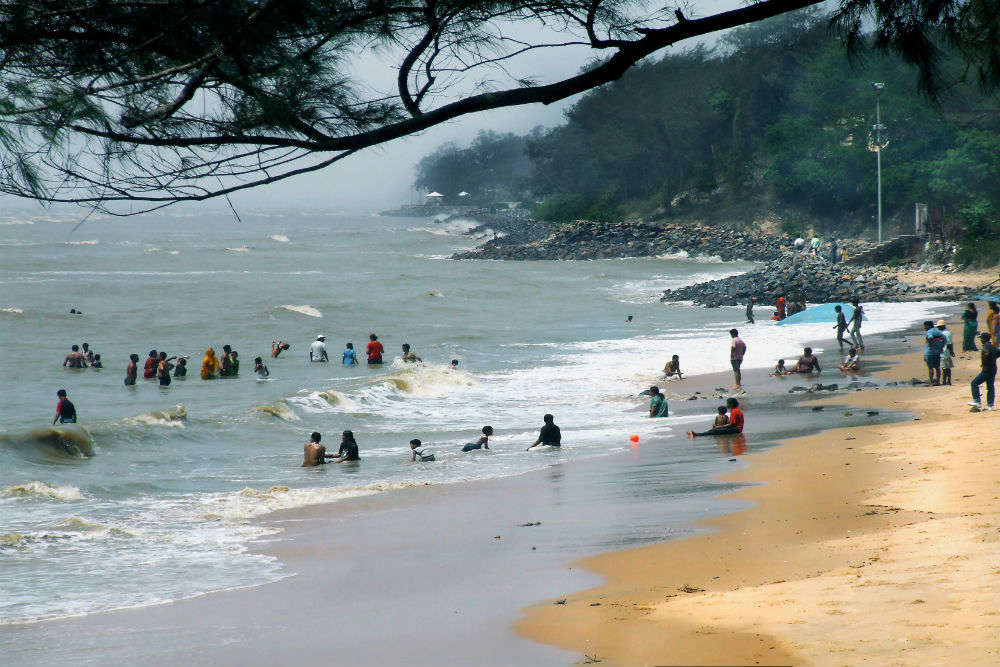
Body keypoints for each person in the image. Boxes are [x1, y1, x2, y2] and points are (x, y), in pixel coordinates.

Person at [969, 332, 998, 411]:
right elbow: (998, 353)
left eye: (981, 338)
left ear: (984, 339)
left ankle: (977, 401)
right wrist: (992, 359)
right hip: (993, 368)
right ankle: (989, 405)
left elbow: (986, 353)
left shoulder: (986, 346)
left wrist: (984, 362)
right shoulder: (992, 346)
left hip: (987, 369)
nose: (980, 340)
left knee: (974, 383)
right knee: (990, 386)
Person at [923, 320, 945, 385]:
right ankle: (938, 382)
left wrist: (931, 345)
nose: (924, 328)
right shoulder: (937, 331)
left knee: (930, 368)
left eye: (925, 326)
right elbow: (944, 338)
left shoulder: (929, 331)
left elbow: (930, 337)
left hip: (930, 352)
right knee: (937, 367)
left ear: (928, 326)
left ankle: (932, 382)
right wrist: (941, 347)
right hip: (937, 352)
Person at [937, 320, 954, 386]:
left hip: (944, 352)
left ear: (942, 326)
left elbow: (949, 344)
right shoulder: (947, 333)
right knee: (947, 367)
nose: (938, 328)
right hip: (946, 352)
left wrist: (951, 351)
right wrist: (951, 352)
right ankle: (948, 381)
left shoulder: (945, 334)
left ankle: (945, 381)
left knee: (944, 368)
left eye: (939, 326)